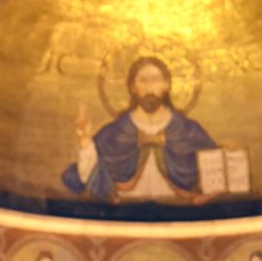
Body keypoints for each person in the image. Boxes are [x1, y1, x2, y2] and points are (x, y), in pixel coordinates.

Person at [62, 56, 217, 203]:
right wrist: (85, 139)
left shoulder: (187, 130)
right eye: (143, 80)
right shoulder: (116, 132)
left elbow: (214, 168)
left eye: (155, 79)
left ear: (166, 85)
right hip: (124, 212)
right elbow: (90, 176)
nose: (150, 87)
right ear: (132, 87)